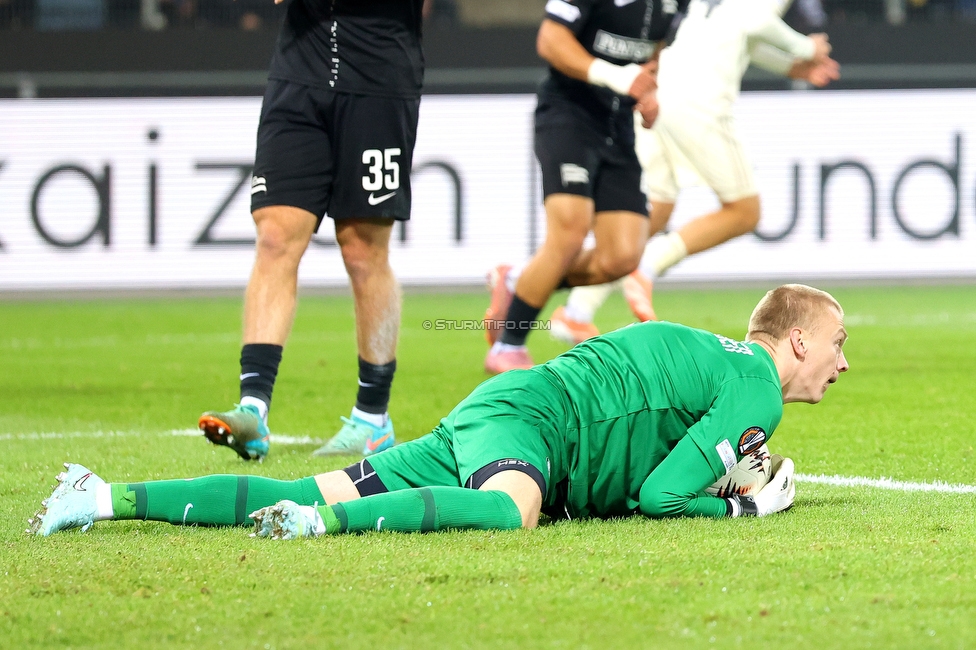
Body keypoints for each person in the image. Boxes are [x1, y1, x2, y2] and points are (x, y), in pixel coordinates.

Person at [30, 284, 849, 539]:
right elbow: (660, 495)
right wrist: (739, 503)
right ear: (799, 341)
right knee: (511, 511)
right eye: (839, 344)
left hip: (507, 408)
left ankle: (102, 496)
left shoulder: (720, 360)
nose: (844, 364)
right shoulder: (754, 388)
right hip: (534, 420)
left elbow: (644, 458)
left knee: (320, 484)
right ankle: (320, 531)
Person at [197, 0, 425, 462]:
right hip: (299, 73)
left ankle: (372, 419)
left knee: (363, 250)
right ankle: (253, 408)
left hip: (378, 80)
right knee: (276, 236)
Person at [548, 0, 841, 345]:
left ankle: (570, 309)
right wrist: (806, 47)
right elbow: (753, 18)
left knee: (653, 213)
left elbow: (734, 31)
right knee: (744, 212)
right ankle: (648, 268)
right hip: (699, 105)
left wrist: (792, 67)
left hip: (659, 96)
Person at [481, 0, 684, 375]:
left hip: (617, 125)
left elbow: (653, 49)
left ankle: (516, 280)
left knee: (622, 256)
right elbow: (550, 39)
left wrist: (647, 88)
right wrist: (615, 76)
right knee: (570, 231)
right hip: (567, 116)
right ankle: (508, 345)